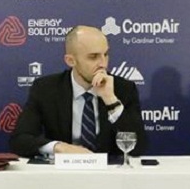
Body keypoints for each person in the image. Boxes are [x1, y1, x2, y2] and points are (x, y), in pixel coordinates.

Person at [9, 25, 147, 158]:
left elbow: (139, 147)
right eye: (93, 57)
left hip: (109, 170)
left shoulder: (123, 89)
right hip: (63, 171)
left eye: (105, 54)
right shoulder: (46, 89)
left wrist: (111, 100)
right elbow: (20, 140)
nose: (103, 64)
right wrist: (59, 147)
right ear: (71, 61)